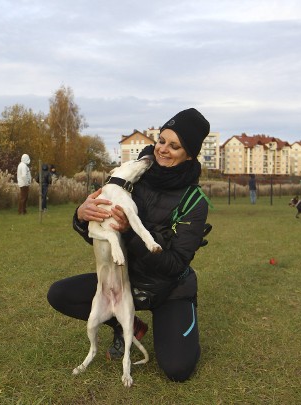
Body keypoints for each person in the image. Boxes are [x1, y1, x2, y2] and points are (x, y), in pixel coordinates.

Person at [47, 108, 212, 382]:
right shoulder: (133, 176)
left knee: (177, 369)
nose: (163, 149)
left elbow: (173, 264)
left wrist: (132, 234)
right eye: (161, 140)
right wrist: (81, 216)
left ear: (190, 154)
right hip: (124, 279)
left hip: (169, 288)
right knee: (59, 293)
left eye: (175, 146)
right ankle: (129, 323)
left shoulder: (194, 201)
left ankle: (176, 318)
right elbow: (100, 234)